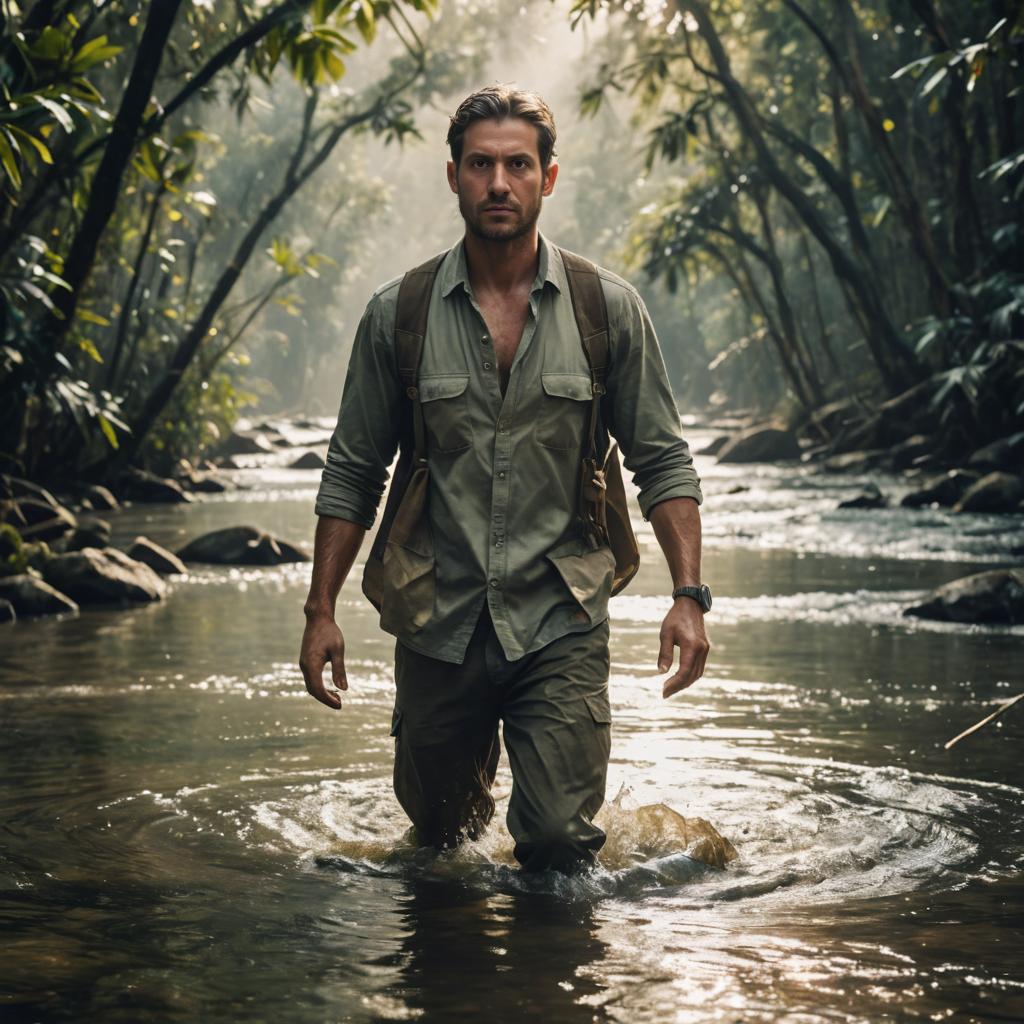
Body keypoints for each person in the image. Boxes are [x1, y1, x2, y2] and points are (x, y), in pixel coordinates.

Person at [299, 85, 709, 875]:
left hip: (561, 615)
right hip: (437, 618)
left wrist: (688, 596)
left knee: (558, 844)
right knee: (440, 848)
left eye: (518, 165)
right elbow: (353, 470)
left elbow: (664, 462)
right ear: (452, 175)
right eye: (480, 164)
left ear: (547, 178)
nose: (498, 183)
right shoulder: (400, 315)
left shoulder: (605, 310)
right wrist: (321, 609)